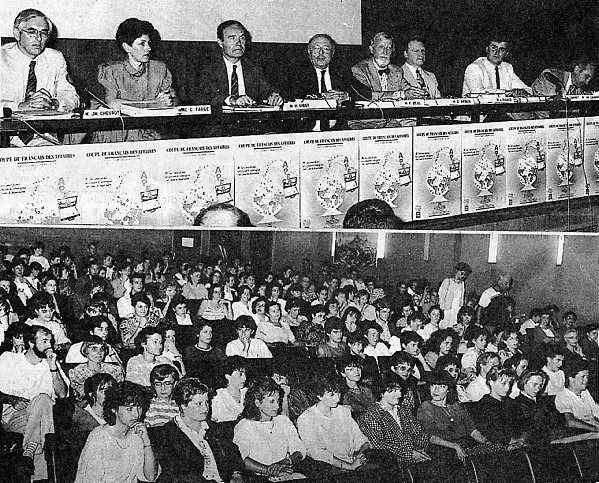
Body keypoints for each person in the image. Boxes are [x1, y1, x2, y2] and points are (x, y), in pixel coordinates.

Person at [0, 8, 79, 147]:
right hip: (4, 136)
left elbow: (72, 97)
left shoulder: (55, 58)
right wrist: (19, 107)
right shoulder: (2, 58)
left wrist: (54, 104)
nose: (38, 38)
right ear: (17, 34)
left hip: (42, 137)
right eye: (31, 32)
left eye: (43, 33)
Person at [93, 18, 178, 143]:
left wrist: (170, 101)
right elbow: (111, 103)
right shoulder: (110, 70)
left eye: (149, 43)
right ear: (127, 47)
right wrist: (155, 104)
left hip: (149, 133)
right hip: (116, 135)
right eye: (142, 44)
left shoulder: (159, 68)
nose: (148, 48)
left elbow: (175, 100)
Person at [0, 325, 68, 479]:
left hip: (44, 412)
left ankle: (28, 454)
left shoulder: (51, 363)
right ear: (31, 343)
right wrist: (12, 399)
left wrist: (52, 368)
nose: (49, 346)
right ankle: (42, 476)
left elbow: (62, 394)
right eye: (44, 341)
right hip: (15, 412)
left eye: (50, 341)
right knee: (44, 432)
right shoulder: (8, 359)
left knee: (43, 399)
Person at [151, 378, 245, 483]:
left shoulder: (214, 429)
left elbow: (234, 454)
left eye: (207, 402)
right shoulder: (167, 434)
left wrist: (236, 475)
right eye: (199, 404)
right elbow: (179, 475)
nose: (205, 408)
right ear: (183, 405)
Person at [75, 381, 159, 483]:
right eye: (129, 409)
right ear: (114, 408)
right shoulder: (99, 438)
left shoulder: (137, 435)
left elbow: (151, 477)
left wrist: (146, 442)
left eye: (139, 408)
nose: (136, 415)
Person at [192, 20, 283, 109]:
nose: (238, 43)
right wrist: (231, 100)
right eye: (232, 38)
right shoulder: (208, 67)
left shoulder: (253, 67)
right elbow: (199, 96)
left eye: (242, 38)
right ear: (220, 42)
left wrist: (273, 96)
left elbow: (268, 90)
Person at [417, 371, 499, 468]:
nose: (436, 390)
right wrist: (455, 446)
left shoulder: (456, 406)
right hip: (445, 449)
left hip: (466, 446)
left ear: (448, 390)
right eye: (433, 385)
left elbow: (472, 430)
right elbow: (431, 437)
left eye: (441, 386)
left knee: (497, 449)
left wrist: (486, 442)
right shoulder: (426, 407)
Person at [233, 378, 307, 479]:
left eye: (278, 401)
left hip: (285, 474)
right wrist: (269, 470)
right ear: (257, 403)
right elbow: (242, 459)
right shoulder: (245, 426)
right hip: (258, 477)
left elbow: (300, 449)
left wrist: (285, 462)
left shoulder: (283, 421)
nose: (277, 406)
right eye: (272, 401)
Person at [297, 374, 371, 471]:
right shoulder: (306, 418)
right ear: (319, 396)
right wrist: (350, 466)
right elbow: (317, 453)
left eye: (338, 393)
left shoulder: (344, 412)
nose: (337, 398)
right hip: (329, 467)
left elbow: (360, 438)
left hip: (353, 460)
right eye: (331, 394)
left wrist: (360, 455)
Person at [358, 374, 431, 466]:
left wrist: (421, 449)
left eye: (399, 390)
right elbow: (379, 444)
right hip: (395, 462)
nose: (399, 394)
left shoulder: (403, 410)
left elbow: (419, 432)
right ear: (381, 393)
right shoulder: (372, 414)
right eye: (393, 391)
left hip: (418, 456)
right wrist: (410, 454)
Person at [286, 33, 351, 131]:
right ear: (309, 52)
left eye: (326, 49)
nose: (321, 53)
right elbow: (291, 95)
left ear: (332, 53)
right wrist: (322, 97)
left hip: (337, 130)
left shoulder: (341, 72)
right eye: (316, 48)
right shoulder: (297, 72)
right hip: (306, 129)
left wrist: (346, 96)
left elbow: (360, 91)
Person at [351, 32, 419, 102]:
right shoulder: (360, 69)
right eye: (381, 47)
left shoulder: (397, 71)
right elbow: (366, 95)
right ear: (371, 49)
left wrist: (418, 93)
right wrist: (401, 94)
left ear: (392, 51)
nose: (385, 52)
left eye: (389, 48)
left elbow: (407, 90)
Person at [468, 367, 525, 447]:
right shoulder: (484, 405)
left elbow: (523, 425)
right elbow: (493, 435)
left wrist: (522, 439)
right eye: (503, 383)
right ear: (491, 382)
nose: (508, 388)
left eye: (510, 384)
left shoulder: (512, 403)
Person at [462, 34, 531, 96]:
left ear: (506, 54)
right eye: (494, 48)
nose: (497, 52)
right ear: (487, 49)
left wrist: (522, 91)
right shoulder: (474, 68)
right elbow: (478, 93)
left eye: (502, 50)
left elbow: (528, 89)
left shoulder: (507, 68)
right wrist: (507, 93)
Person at [555, 360, 599, 432]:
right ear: (571, 378)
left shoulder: (585, 392)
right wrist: (595, 429)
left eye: (587, 377)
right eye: (583, 377)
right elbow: (570, 422)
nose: (586, 380)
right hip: (580, 432)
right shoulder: (563, 396)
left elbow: (596, 411)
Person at [211, 356, 248, 423]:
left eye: (245, 374)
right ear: (228, 376)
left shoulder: (248, 392)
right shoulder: (217, 397)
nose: (244, 378)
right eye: (240, 374)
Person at [438, 263, 471, 330]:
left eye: (465, 275)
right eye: (462, 273)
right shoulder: (447, 282)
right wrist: (442, 311)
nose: (463, 276)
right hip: (447, 310)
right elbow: (441, 298)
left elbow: (461, 299)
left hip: (457, 310)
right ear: (456, 271)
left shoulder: (462, 284)